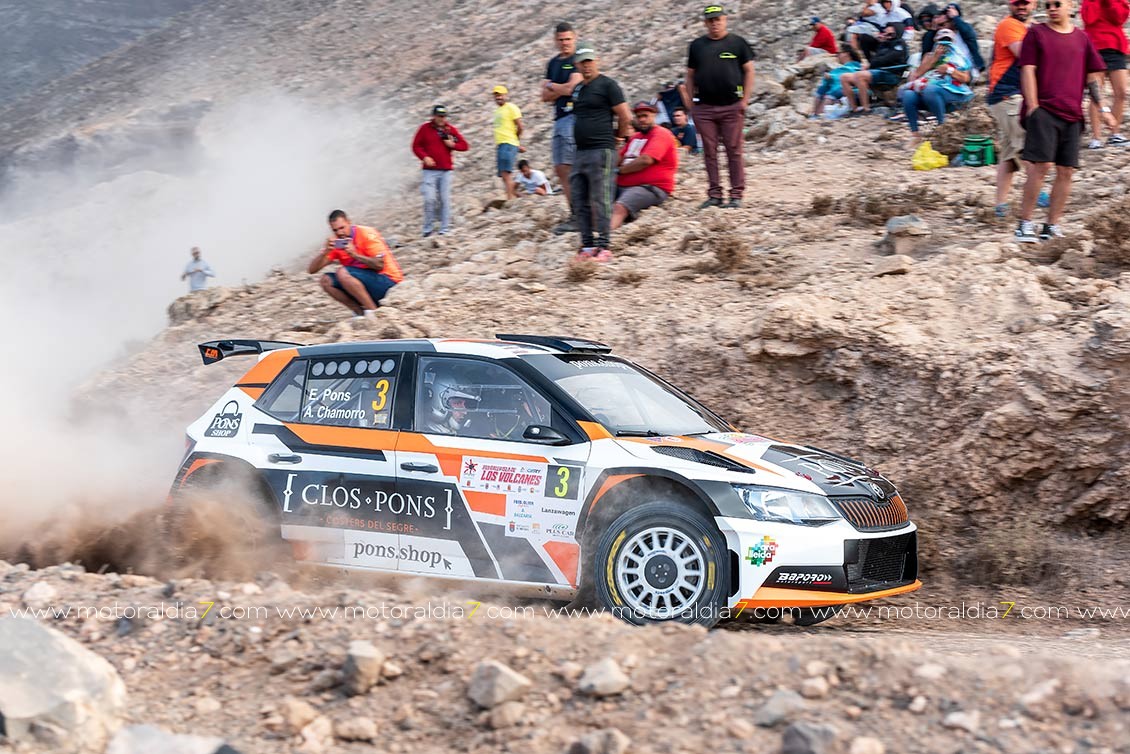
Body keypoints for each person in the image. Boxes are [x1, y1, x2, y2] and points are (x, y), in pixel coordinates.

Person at [1014, 0, 1113, 243]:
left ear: (1071, 5)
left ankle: (1051, 226)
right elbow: (1027, 70)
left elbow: (1093, 77)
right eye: (1048, 4)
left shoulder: (1082, 38)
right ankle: (1025, 224)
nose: (1052, 8)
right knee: (1041, 167)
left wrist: (1103, 108)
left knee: (1066, 170)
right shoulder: (1036, 33)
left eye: (1057, 3)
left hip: (1072, 114)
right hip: (1044, 110)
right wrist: (1033, 107)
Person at [683, 5, 756, 209]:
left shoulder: (738, 43)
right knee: (709, 151)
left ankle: (736, 194)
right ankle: (715, 194)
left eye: (718, 19)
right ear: (705, 23)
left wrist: (745, 100)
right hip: (704, 108)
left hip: (731, 106)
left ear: (725, 20)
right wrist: (690, 103)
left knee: (734, 150)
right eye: (710, 20)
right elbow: (690, 75)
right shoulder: (697, 46)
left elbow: (749, 71)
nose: (714, 23)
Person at [568, 41, 631, 260]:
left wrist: (618, 138)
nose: (586, 65)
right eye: (582, 62)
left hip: (601, 150)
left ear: (596, 61)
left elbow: (625, 115)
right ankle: (587, 245)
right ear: (577, 65)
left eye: (589, 61)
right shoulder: (578, 89)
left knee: (601, 198)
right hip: (580, 152)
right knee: (579, 199)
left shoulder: (608, 85)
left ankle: (604, 246)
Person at [309, 210, 404, 318]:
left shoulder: (366, 233)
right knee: (326, 280)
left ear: (349, 222)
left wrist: (355, 255)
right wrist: (325, 252)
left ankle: (373, 313)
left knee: (343, 273)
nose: (340, 233)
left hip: (388, 282)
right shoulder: (337, 243)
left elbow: (379, 265)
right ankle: (359, 313)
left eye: (342, 228)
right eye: (335, 230)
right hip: (365, 286)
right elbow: (312, 270)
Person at [988, 0, 1035, 217]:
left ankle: (1001, 205)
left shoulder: (1025, 28)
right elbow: (1025, 55)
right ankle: (1037, 191)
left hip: (1008, 95)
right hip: (1008, 95)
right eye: (1017, 3)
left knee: (1008, 154)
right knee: (1029, 144)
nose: (1021, 7)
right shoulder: (1009, 25)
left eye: (1026, 3)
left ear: (1034, 4)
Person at [612, 102, 680, 231]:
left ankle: (605, 237)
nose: (642, 119)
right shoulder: (635, 137)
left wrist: (619, 171)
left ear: (654, 115)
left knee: (620, 206)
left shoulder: (661, 134)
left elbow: (646, 160)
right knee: (595, 198)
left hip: (650, 187)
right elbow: (619, 157)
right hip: (623, 184)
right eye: (639, 116)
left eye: (645, 115)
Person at [900, 29, 974, 141]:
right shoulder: (929, 56)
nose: (944, 44)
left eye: (947, 41)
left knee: (930, 90)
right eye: (941, 41)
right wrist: (934, 59)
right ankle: (915, 134)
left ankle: (942, 127)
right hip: (929, 90)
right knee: (908, 95)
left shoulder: (959, 57)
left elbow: (966, 78)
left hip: (952, 91)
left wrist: (949, 70)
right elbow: (916, 75)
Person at [544, 22, 583, 232]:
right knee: (561, 168)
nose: (564, 43)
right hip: (559, 117)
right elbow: (544, 96)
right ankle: (575, 212)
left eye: (568, 39)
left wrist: (552, 86)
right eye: (561, 40)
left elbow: (571, 88)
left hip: (574, 115)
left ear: (574, 38)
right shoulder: (553, 63)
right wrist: (558, 89)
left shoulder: (578, 59)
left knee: (571, 166)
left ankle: (581, 213)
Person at [411, 105, 469, 237]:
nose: (442, 119)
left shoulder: (449, 130)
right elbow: (416, 146)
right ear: (433, 116)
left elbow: (464, 146)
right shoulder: (425, 129)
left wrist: (452, 145)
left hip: (445, 170)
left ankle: (444, 228)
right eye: (439, 116)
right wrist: (424, 157)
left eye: (444, 116)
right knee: (429, 199)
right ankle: (428, 229)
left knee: (444, 199)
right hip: (429, 171)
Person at [1081, 0, 1130, 148]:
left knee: (1121, 93)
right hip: (1095, 48)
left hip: (1116, 48)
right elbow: (1089, 19)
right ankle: (1096, 137)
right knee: (1096, 94)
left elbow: (1119, 18)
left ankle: (1114, 133)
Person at [840, 22, 909, 115]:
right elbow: (865, 40)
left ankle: (866, 108)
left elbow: (889, 58)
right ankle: (854, 109)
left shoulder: (899, 44)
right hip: (877, 71)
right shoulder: (883, 45)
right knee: (844, 77)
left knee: (860, 75)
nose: (887, 36)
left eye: (890, 34)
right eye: (885, 34)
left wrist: (870, 65)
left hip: (891, 73)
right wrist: (878, 39)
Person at [927, 4, 984, 79]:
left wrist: (955, 17)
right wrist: (933, 27)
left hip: (964, 72)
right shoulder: (939, 35)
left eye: (942, 24)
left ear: (953, 22)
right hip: (943, 71)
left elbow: (966, 30)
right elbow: (927, 49)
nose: (939, 28)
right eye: (938, 25)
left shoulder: (964, 33)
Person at [492, 85, 524, 199]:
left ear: (505, 95)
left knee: (506, 173)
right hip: (501, 144)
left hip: (508, 143)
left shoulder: (511, 107)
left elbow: (520, 126)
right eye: (496, 95)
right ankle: (514, 195)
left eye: (500, 95)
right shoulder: (497, 111)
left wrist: (515, 140)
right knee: (503, 174)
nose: (498, 97)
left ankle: (510, 199)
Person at [811, 49, 863, 118]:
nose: (837, 55)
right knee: (823, 89)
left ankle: (818, 114)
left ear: (847, 54)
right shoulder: (843, 68)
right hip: (839, 88)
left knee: (831, 92)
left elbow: (849, 77)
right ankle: (815, 114)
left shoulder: (854, 66)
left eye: (839, 53)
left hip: (845, 89)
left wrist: (831, 77)